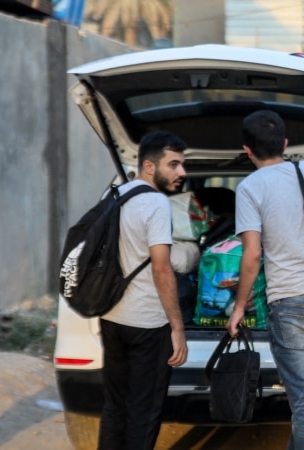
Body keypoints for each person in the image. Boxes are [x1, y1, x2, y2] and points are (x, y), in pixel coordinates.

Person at [226, 110, 304, 449]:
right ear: (286, 143)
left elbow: (251, 255)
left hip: (290, 305)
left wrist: (238, 308)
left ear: (247, 151)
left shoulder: (249, 188)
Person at [97, 130, 189, 449]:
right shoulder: (156, 204)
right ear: (149, 167)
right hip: (147, 325)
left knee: (114, 407)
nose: (182, 173)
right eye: (174, 165)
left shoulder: (116, 196)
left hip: (111, 317)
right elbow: (162, 268)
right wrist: (177, 328)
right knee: (143, 412)